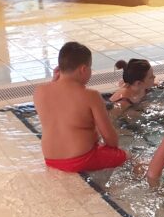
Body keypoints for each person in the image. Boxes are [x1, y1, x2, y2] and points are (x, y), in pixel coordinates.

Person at [34, 42, 128, 173]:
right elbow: (110, 138)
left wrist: (55, 81)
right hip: (81, 160)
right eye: (90, 68)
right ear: (83, 69)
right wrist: (110, 147)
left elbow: (60, 107)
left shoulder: (40, 91)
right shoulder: (91, 96)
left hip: (50, 159)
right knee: (127, 157)